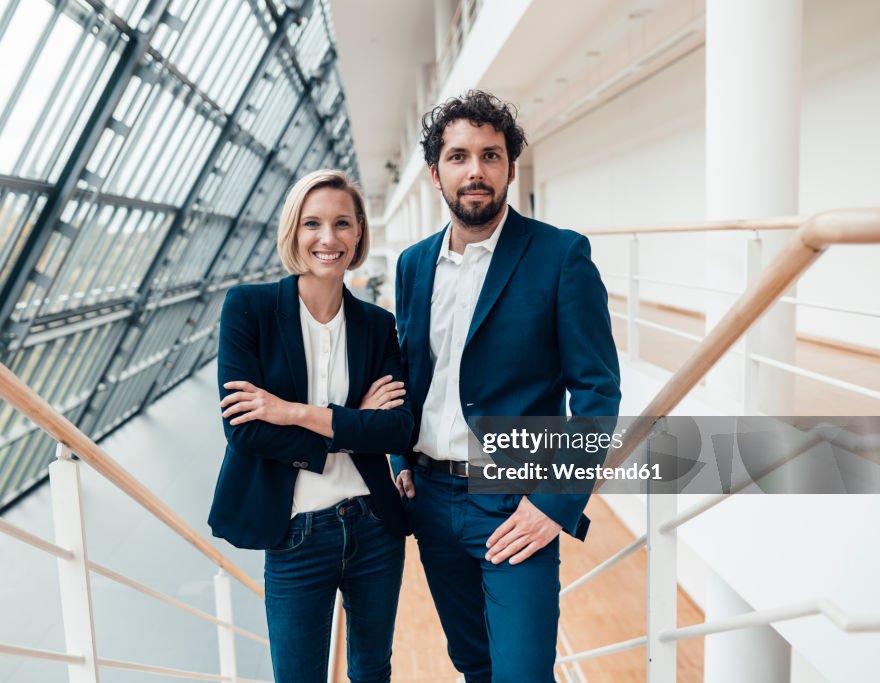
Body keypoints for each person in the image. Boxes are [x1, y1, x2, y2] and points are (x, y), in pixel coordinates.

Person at [391, 91, 621, 682]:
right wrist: (399, 455)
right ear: (436, 172)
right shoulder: (413, 265)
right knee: (474, 663)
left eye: (491, 156)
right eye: (459, 156)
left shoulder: (560, 256)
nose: (475, 171)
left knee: (522, 673)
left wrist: (553, 501)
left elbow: (597, 391)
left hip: (514, 500)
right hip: (432, 502)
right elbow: (412, 375)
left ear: (511, 169)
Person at [209, 169, 412, 683]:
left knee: (372, 670)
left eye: (343, 223)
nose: (328, 238)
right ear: (293, 232)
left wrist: (294, 411)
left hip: (374, 525)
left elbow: (398, 430)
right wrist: (351, 423)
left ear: (359, 232)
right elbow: (246, 430)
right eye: (312, 223)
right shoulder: (248, 309)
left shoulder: (376, 325)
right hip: (296, 533)